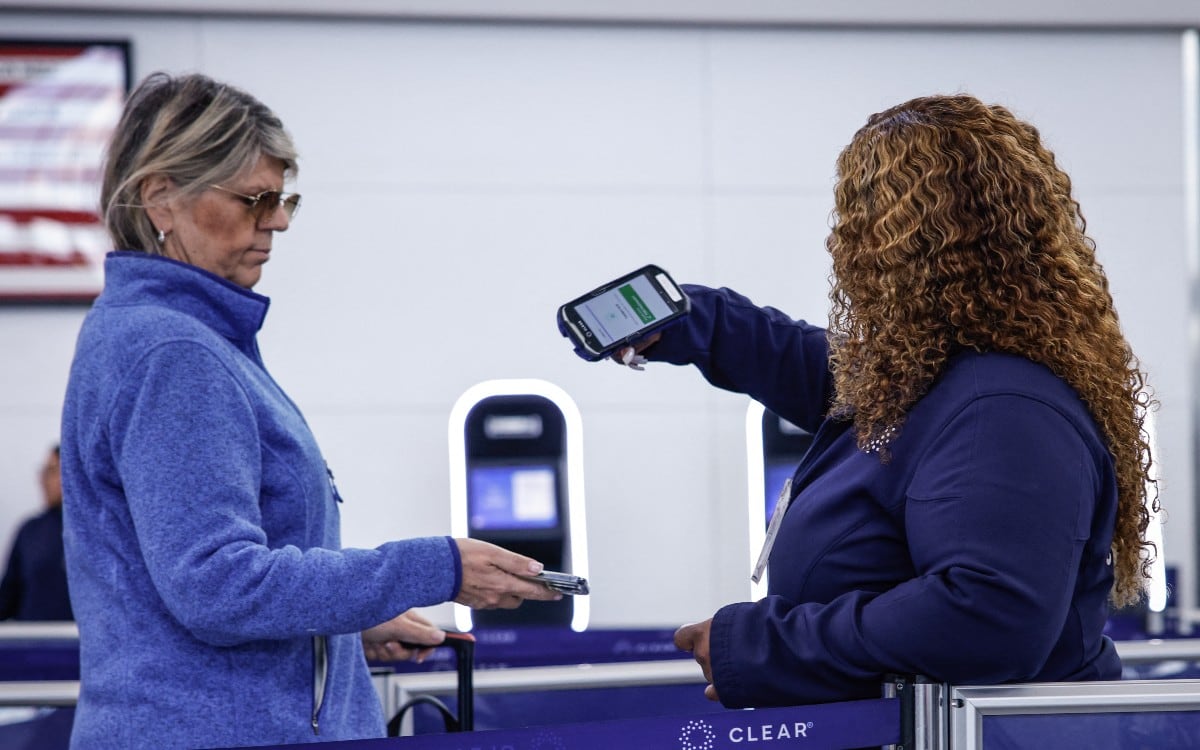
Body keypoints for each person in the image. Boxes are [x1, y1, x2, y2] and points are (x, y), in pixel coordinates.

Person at [59, 72, 560, 750]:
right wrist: (432, 568)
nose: (279, 221)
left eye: (283, 198)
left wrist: (345, 624)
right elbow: (218, 586)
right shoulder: (174, 352)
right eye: (255, 199)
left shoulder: (150, 334)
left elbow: (171, 587)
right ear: (161, 199)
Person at [612, 94, 1157, 708]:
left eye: (854, 220)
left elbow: (986, 616)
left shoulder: (1002, 410)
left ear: (888, 245)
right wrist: (693, 319)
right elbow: (816, 369)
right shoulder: (934, 377)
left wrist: (763, 645)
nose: (840, 243)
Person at [0, 444, 73, 621]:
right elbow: (8, 596)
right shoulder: (30, 531)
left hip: (76, 635)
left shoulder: (91, 530)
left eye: (53, 471)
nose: (44, 480)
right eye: (44, 472)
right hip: (34, 635)